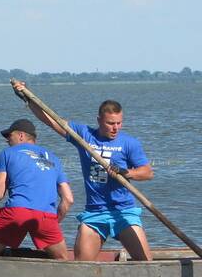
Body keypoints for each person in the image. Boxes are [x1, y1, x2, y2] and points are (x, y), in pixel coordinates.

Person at [12, 80, 154, 261]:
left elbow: (148, 172)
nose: (116, 128)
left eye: (119, 123)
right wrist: (27, 97)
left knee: (146, 263)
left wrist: (127, 173)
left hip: (123, 212)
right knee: (82, 266)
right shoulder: (84, 135)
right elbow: (52, 121)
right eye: (111, 123)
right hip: (95, 213)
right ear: (99, 121)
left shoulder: (129, 143)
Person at [0, 118, 74, 259]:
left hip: (17, 213)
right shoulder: (54, 158)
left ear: (21, 135)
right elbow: (68, 199)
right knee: (64, 261)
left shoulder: (7, 153)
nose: (7, 141)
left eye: (9, 136)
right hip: (46, 216)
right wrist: (52, 222)